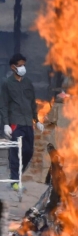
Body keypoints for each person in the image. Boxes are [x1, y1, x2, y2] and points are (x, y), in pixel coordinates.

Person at [0, 54, 44, 190]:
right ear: (13, 67)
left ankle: (17, 175)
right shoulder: (7, 84)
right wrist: (6, 124)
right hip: (15, 122)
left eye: (24, 65)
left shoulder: (28, 83)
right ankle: (14, 181)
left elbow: (32, 102)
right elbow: (4, 105)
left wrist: (36, 120)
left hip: (28, 123)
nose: (22, 67)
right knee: (15, 151)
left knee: (28, 151)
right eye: (20, 65)